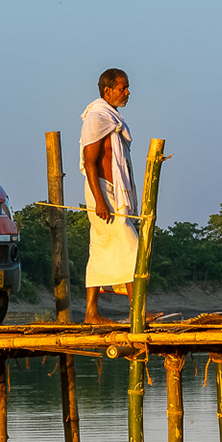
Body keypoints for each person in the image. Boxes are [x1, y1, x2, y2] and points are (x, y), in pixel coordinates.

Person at [80, 69, 137, 324]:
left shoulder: (112, 118)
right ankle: (137, 311)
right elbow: (89, 162)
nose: (127, 93)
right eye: (122, 88)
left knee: (101, 247)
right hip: (100, 191)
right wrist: (100, 199)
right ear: (108, 91)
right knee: (132, 245)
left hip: (112, 191)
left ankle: (91, 313)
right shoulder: (97, 117)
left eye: (126, 88)